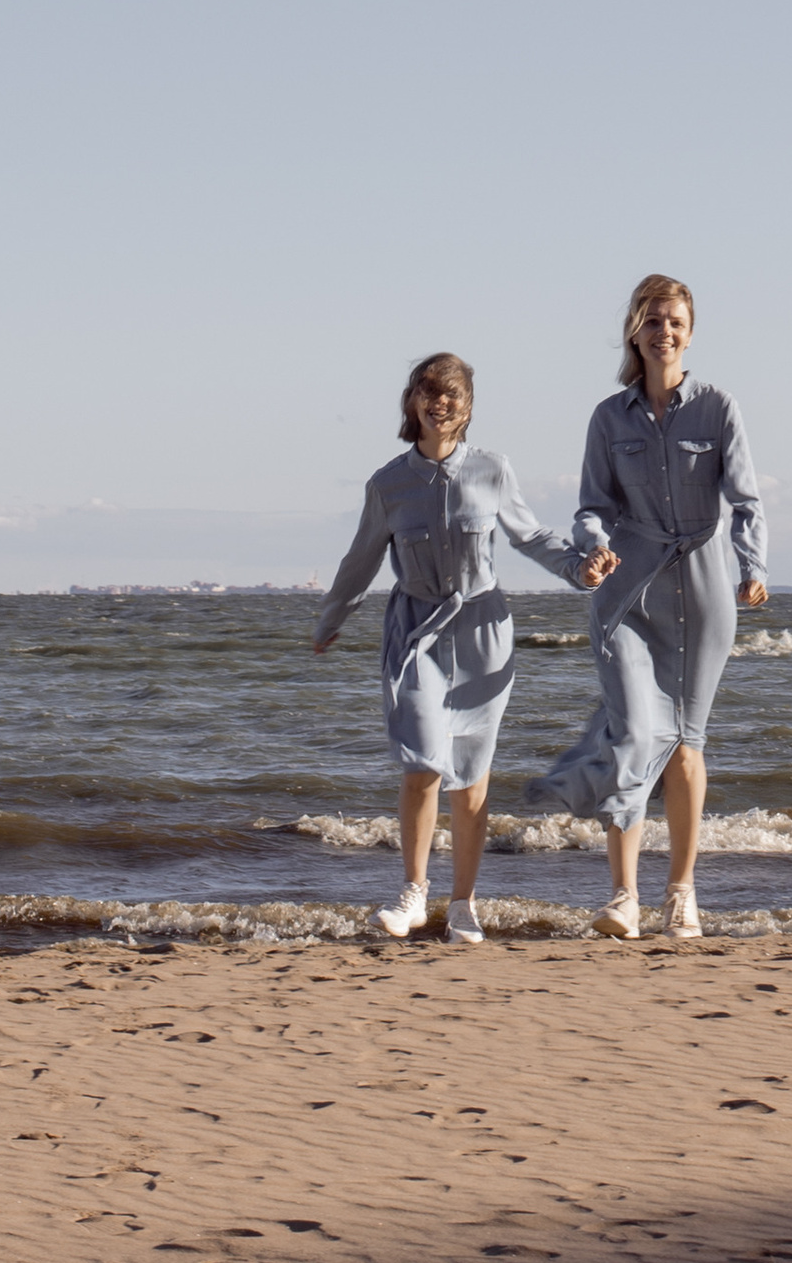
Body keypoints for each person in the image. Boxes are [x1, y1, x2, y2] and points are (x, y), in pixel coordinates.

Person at [312, 351, 582, 945]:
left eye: (451, 394)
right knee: (421, 762)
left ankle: (463, 904)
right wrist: (333, 617)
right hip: (417, 634)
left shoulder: (492, 470)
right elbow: (361, 558)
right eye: (429, 392)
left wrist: (578, 568)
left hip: (483, 635)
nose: (440, 403)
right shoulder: (388, 483)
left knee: (471, 780)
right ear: (412, 401)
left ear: (467, 406)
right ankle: (412, 893)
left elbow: (531, 535)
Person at [528, 274, 766, 941]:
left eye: (676, 322)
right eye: (654, 321)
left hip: (703, 589)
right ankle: (623, 897)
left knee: (685, 743)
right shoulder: (609, 418)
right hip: (627, 590)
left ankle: (681, 896)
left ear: (690, 333)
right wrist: (594, 546)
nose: (665, 332)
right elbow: (591, 505)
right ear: (635, 330)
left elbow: (746, 500)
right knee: (632, 736)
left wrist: (753, 567)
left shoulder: (717, 408)